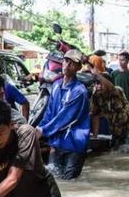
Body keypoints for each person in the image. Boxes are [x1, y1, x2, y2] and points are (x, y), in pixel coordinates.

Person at [37, 50, 91, 180]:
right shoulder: (56, 86)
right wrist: (39, 128)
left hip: (74, 144)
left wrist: (43, 130)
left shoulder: (79, 92)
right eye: (66, 61)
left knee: (70, 182)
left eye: (72, 63)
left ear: (78, 67)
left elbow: (65, 118)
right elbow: (49, 113)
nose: (67, 65)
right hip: (57, 142)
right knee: (53, 180)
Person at [90, 71, 129, 147]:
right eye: (97, 84)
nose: (99, 86)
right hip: (115, 129)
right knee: (115, 151)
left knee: (128, 150)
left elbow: (111, 87)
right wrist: (95, 136)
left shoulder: (117, 90)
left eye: (101, 83)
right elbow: (95, 116)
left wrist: (98, 74)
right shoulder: (96, 96)